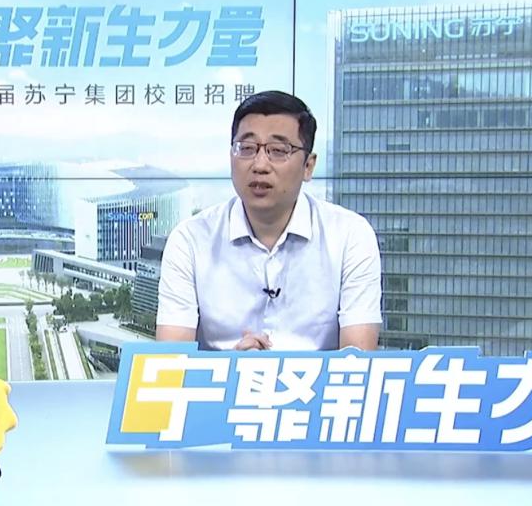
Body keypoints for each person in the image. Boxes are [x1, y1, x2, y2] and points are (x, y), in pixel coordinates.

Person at [155, 90, 382, 352]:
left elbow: (357, 360)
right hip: (221, 379)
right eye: (247, 149)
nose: (260, 165)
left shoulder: (350, 236)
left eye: (278, 151)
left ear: (308, 166)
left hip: (314, 381)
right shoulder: (190, 240)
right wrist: (232, 367)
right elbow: (168, 361)